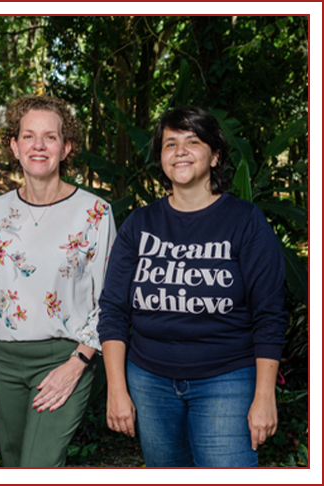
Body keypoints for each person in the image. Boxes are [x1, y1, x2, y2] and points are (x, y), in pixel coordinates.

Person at [97, 105, 287, 467]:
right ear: (161, 159)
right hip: (148, 381)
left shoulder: (245, 221)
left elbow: (269, 315)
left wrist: (265, 395)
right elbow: (113, 311)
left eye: (192, 141)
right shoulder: (139, 224)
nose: (180, 151)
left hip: (226, 379)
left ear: (215, 156)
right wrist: (117, 389)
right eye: (170, 144)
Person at [0, 95, 116, 467]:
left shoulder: (95, 212)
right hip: (1, 361)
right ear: (14, 146)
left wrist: (79, 362)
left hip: (64, 357)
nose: (38, 145)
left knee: (38, 464)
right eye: (28, 136)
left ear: (66, 147)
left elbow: (112, 299)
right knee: (15, 461)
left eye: (50, 137)